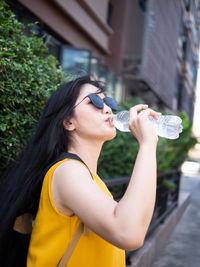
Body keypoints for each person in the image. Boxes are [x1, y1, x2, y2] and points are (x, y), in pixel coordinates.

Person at [0, 75, 161, 267]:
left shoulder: (90, 179)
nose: (108, 109)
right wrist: (147, 144)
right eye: (94, 102)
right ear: (68, 122)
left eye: (107, 102)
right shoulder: (67, 171)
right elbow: (129, 232)